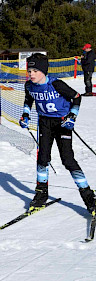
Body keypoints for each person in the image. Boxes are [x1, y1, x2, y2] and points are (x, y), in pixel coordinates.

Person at [19, 53, 96, 214]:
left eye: (35, 70)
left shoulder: (56, 84)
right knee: (42, 158)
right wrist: (25, 115)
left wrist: (72, 116)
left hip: (62, 122)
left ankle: (89, 197)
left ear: (43, 71)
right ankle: (41, 194)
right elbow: (28, 100)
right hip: (44, 123)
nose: (31, 74)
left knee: (67, 160)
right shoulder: (29, 86)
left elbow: (76, 98)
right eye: (29, 70)